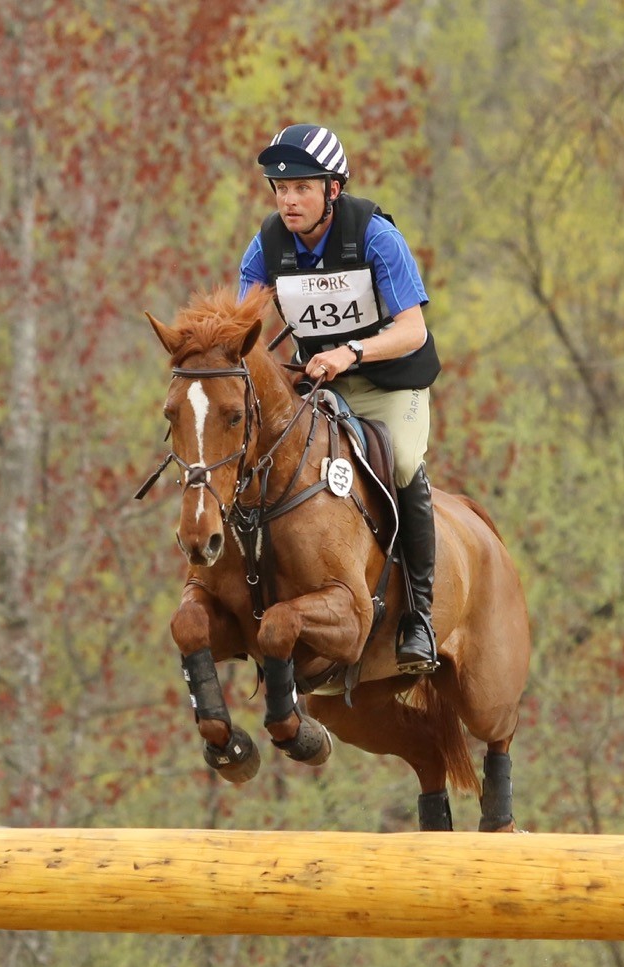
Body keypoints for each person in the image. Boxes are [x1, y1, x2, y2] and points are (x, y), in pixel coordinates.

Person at [238, 123, 443, 674]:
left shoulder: (375, 236)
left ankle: (419, 616)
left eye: (302, 188)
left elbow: (413, 330)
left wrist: (350, 352)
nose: (288, 200)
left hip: (390, 382)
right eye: (281, 189)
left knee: (403, 462)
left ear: (333, 189)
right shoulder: (267, 246)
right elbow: (243, 333)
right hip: (319, 383)